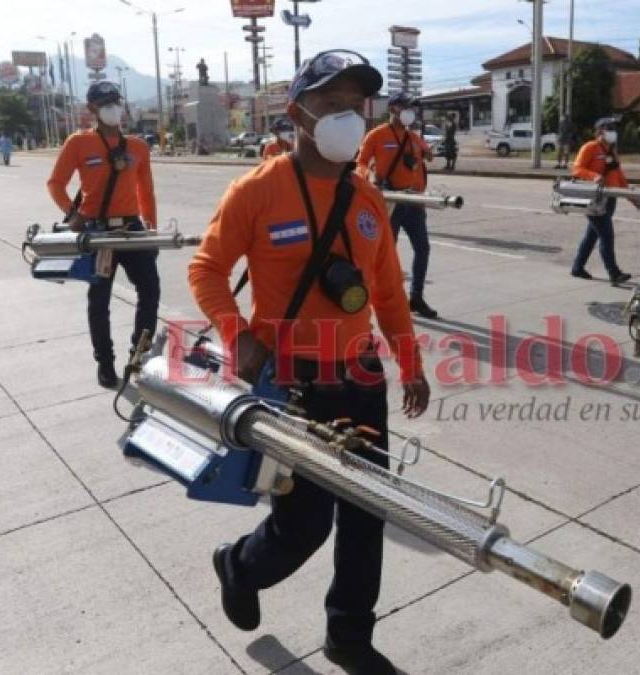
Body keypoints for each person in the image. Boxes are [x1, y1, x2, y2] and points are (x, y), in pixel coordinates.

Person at [189, 49, 430, 675]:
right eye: (332, 104)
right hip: (293, 382)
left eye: (357, 105)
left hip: (360, 375)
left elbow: (387, 293)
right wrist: (236, 333)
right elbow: (207, 268)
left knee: (366, 512)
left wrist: (412, 361)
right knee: (304, 526)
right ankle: (238, 565)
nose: (348, 117)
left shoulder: (367, 198)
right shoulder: (258, 191)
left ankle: (348, 635)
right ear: (297, 112)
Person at [46, 81, 160, 389]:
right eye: (105, 103)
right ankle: (105, 363)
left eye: (116, 101)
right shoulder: (78, 144)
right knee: (99, 300)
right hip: (97, 233)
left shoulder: (137, 147)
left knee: (150, 290)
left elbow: (146, 191)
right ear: (92, 109)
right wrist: (73, 215)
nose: (113, 108)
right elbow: (55, 184)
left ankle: (139, 355)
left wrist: (151, 228)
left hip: (131, 229)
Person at [358, 92, 438, 318]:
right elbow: (361, 162)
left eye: (412, 108)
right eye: (406, 107)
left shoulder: (413, 137)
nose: (410, 112)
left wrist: (428, 151)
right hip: (391, 202)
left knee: (423, 248)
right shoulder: (377, 135)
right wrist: (370, 176)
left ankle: (416, 297)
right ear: (393, 109)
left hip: (414, 202)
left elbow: (428, 156)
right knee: (387, 254)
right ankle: (386, 299)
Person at [570, 116, 640, 285]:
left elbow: (619, 177)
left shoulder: (612, 152)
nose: (613, 132)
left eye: (614, 129)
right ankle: (614, 273)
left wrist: (632, 197)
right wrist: (594, 176)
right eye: (609, 128)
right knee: (606, 235)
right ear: (599, 131)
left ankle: (577, 268)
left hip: (610, 199)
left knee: (592, 235)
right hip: (594, 199)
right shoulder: (590, 148)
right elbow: (576, 169)